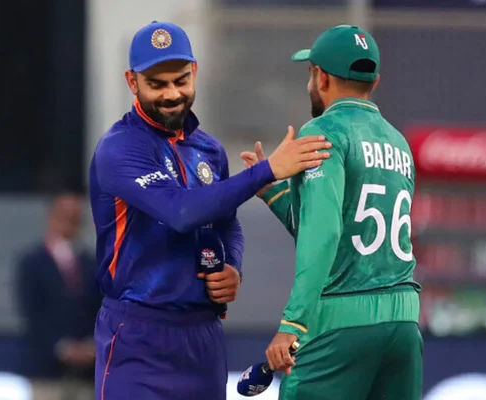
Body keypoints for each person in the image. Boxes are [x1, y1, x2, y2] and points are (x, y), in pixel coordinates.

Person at [88, 21, 331, 400]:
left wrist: (232, 266)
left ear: (195, 72)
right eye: (157, 83)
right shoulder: (120, 148)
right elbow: (180, 211)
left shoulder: (209, 150)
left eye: (181, 80)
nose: (172, 94)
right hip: (138, 337)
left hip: (203, 337)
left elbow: (226, 223)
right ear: (131, 81)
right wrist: (267, 171)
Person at [241, 25, 423, 400]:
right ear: (375, 81)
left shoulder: (324, 131)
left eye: (310, 73)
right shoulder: (397, 141)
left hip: (340, 324)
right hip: (403, 323)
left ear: (321, 77)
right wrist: (272, 192)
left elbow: (323, 234)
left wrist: (293, 322)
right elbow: (341, 228)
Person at [14, 189, 101, 400]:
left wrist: (91, 346)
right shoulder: (32, 262)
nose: (70, 220)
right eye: (65, 214)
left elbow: (100, 309)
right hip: (46, 373)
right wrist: (62, 347)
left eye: (75, 216)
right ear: (51, 216)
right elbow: (31, 312)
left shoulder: (93, 263)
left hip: (87, 374)